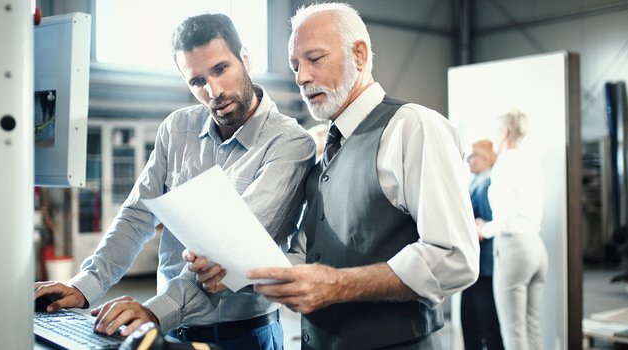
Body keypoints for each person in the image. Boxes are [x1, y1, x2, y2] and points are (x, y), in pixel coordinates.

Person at [189, 3, 479, 349]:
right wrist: (234, 269)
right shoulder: (324, 148)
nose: (301, 77)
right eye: (295, 66)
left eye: (315, 59)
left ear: (359, 54)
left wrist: (339, 285)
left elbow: (454, 257)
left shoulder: (413, 126)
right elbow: (306, 256)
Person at [33, 13, 316, 350]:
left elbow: (228, 254)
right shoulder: (177, 129)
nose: (214, 91)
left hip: (243, 337)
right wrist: (86, 284)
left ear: (246, 59)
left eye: (221, 69)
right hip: (167, 333)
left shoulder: (290, 143)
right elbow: (137, 215)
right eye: (197, 81)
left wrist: (154, 311)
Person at [476, 110, 547, 350]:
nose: (494, 138)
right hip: (536, 246)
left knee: (513, 331)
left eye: (496, 131)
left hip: (514, 249)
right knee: (531, 325)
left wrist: (484, 229)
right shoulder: (531, 161)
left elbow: (504, 220)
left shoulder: (505, 163)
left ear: (505, 132)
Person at [461, 139, 504, 350]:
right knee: (472, 323)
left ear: (486, 159)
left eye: (473, 156)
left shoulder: (486, 184)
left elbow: (486, 224)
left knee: (485, 325)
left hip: (484, 268)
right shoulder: (476, 182)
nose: (469, 160)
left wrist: (476, 228)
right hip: (477, 266)